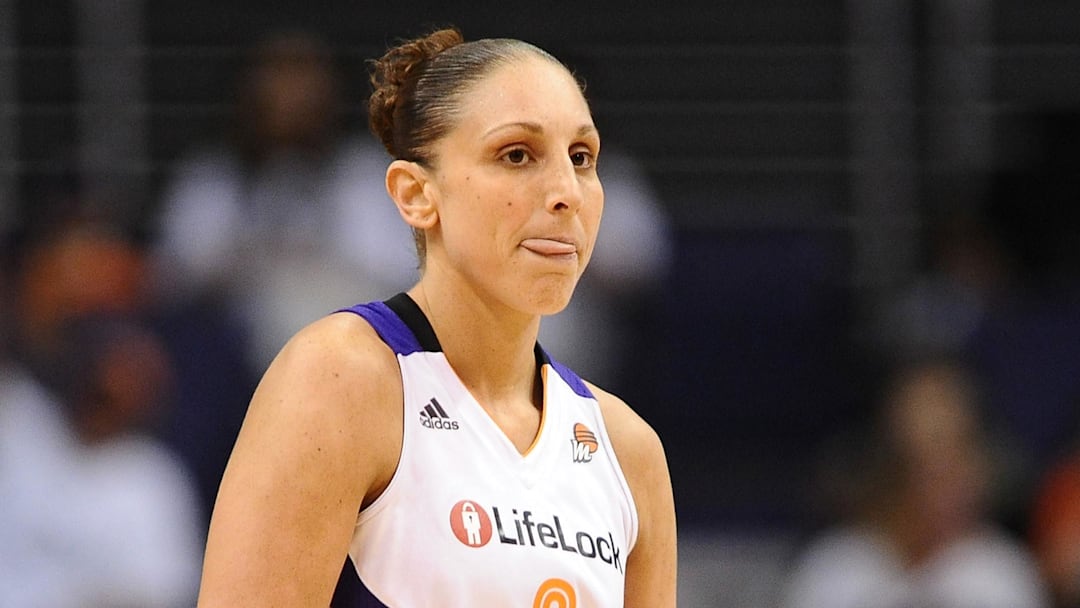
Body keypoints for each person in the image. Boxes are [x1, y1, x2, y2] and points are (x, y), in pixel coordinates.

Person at [196, 27, 677, 607]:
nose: (565, 193)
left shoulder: (629, 451)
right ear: (415, 194)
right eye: (517, 154)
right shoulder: (341, 377)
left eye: (581, 158)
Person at [780, 358, 1049, 608]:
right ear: (891, 470)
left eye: (957, 460)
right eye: (926, 466)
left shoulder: (1002, 574)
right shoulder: (835, 569)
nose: (950, 487)